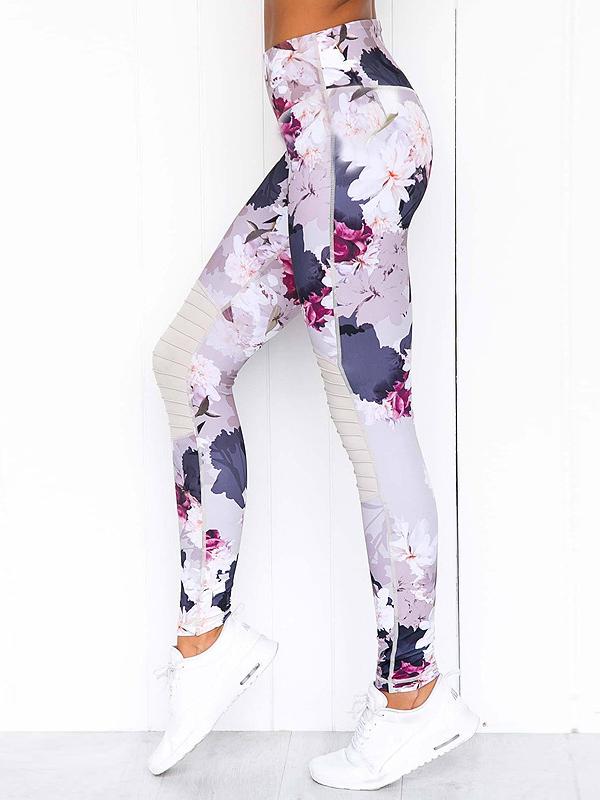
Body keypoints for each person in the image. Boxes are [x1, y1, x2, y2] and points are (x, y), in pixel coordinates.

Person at [148, 0, 478, 790]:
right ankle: (206, 639)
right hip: (320, 131)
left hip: (349, 123)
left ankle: (412, 694)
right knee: (189, 362)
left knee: (373, 418)